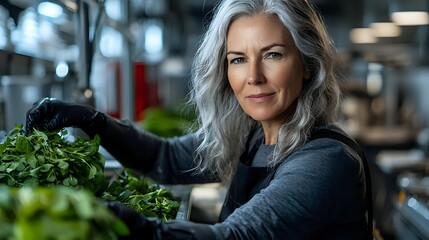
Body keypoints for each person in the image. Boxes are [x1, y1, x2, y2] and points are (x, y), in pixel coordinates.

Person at [25, 0, 373, 239]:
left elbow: (237, 236)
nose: (253, 76)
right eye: (238, 59)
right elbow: (164, 158)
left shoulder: (326, 161)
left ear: (308, 64)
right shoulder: (250, 135)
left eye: (273, 55)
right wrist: (95, 122)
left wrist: (120, 221)